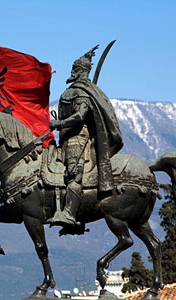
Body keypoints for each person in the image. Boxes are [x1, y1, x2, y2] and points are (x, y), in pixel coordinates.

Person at [47, 46, 123, 227]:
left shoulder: (82, 92)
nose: (72, 72)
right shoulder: (75, 90)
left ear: (81, 71)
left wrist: (59, 124)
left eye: (75, 69)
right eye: (72, 69)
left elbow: (80, 115)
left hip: (77, 139)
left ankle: (69, 214)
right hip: (64, 139)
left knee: (74, 175)